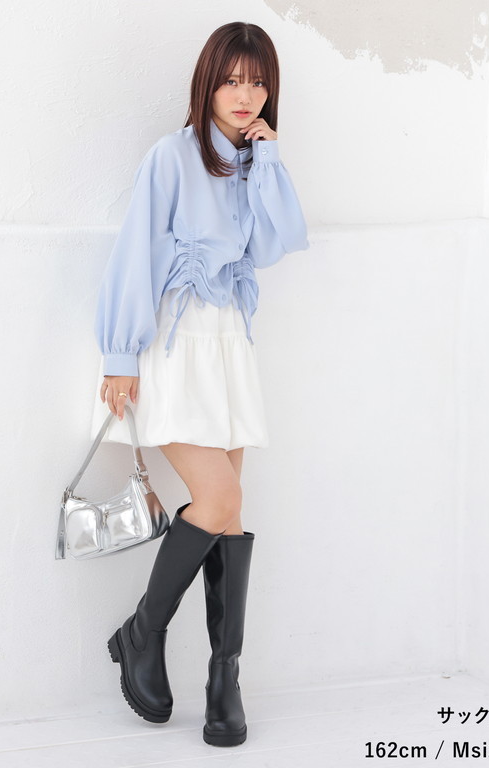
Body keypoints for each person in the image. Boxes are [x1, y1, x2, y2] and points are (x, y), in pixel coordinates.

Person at [92, 21, 309, 747]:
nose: (245, 95)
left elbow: (277, 242)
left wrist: (267, 159)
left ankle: (224, 681)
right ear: (208, 83)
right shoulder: (172, 156)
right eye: (232, 79)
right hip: (177, 341)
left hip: (229, 346)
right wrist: (120, 354)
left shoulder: (253, 164)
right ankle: (143, 631)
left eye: (258, 81)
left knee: (230, 514)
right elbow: (134, 252)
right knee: (219, 499)